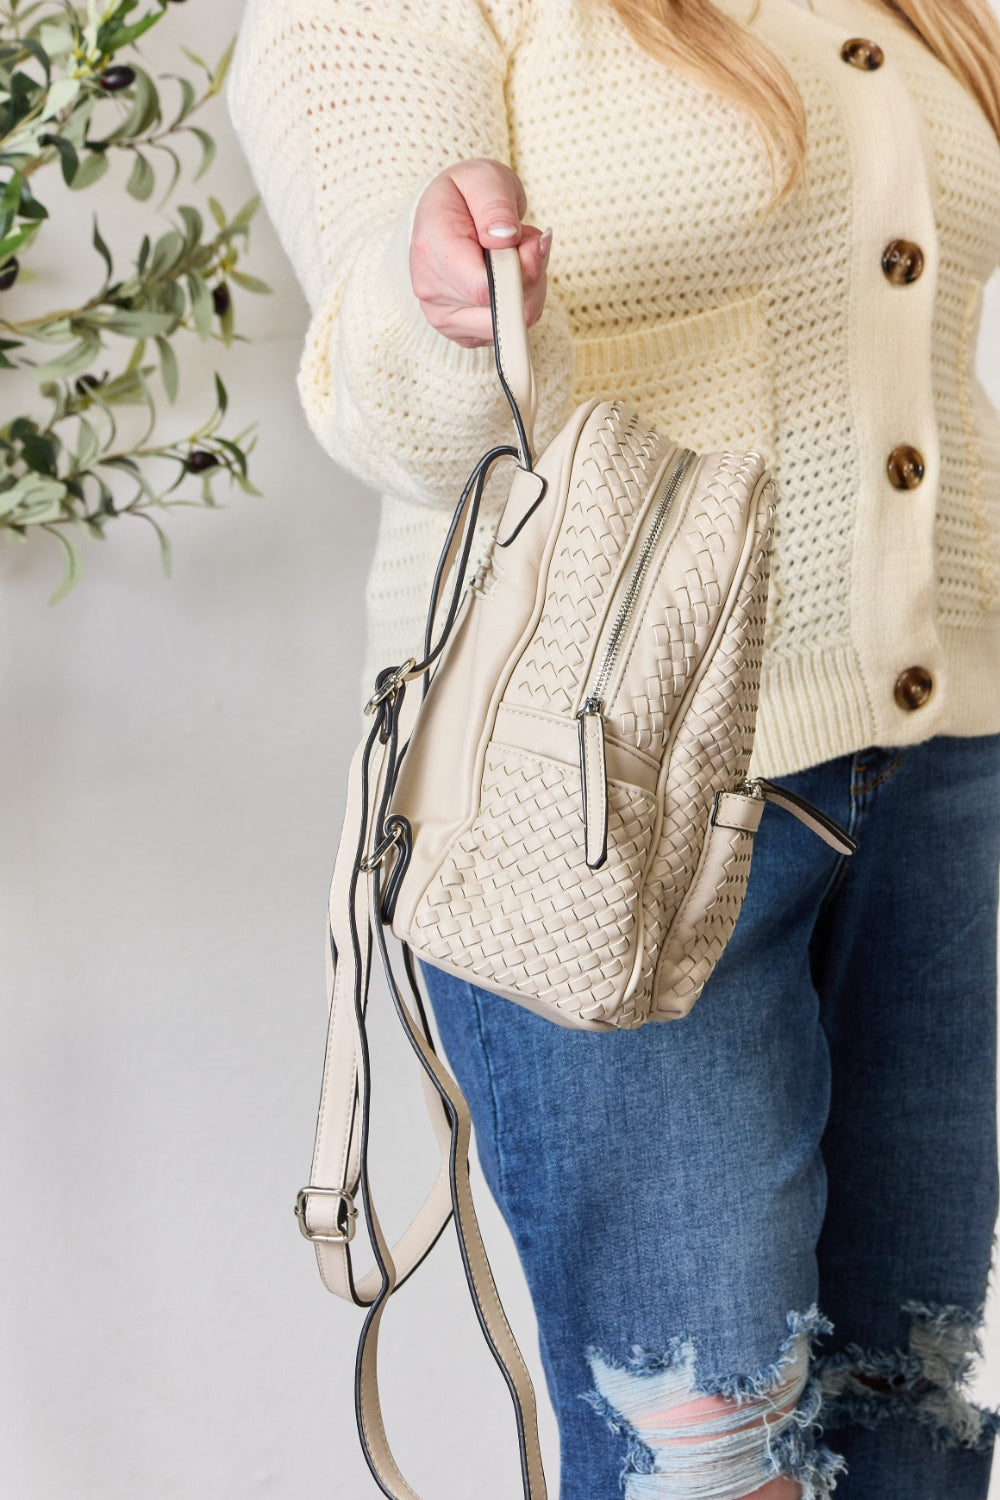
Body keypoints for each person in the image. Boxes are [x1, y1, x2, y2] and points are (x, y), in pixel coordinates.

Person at [226, 1, 1000, 1494]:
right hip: (600, 799)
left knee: (918, 1430)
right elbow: (385, 396)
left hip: (949, 770)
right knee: (701, 1459)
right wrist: (437, 295)